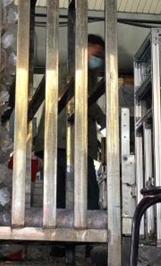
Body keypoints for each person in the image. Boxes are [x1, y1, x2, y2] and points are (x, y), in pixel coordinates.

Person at [34, 34, 107, 211]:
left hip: (61, 139)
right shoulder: (77, 71)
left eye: (100, 56)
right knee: (87, 187)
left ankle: (59, 226)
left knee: (59, 188)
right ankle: (90, 225)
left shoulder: (78, 70)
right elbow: (82, 100)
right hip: (66, 138)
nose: (97, 59)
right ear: (84, 49)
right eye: (95, 53)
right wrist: (104, 120)